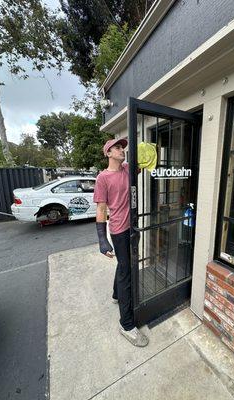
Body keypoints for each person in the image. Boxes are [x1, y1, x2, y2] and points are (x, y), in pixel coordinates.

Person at [93, 137, 149, 347]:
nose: (121, 150)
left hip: (132, 228)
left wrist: (147, 150)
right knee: (127, 271)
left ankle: (116, 294)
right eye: (117, 147)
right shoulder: (102, 178)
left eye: (122, 147)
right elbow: (100, 209)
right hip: (118, 230)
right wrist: (102, 239)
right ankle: (126, 325)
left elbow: (143, 163)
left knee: (123, 265)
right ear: (108, 153)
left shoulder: (127, 169)